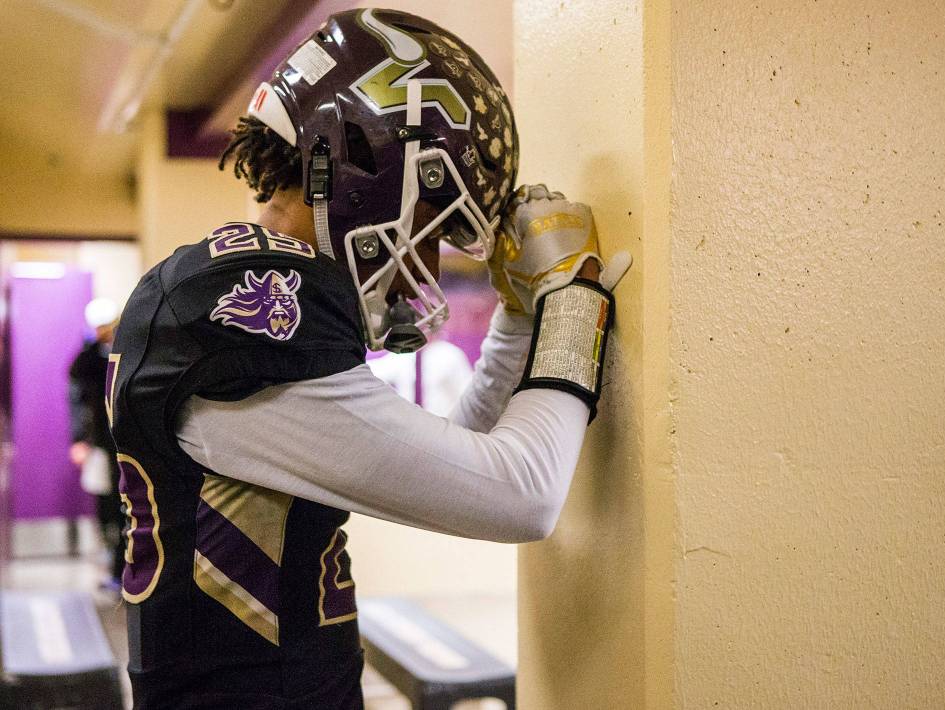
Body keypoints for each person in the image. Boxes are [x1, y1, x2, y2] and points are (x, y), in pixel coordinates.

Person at [107, 9, 629, 709]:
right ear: (374, 183)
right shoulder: (254, 311)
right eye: (433, 220)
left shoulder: (234, 289)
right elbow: (522, 498)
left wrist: (514, 315)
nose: (432, 256)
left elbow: (458, 459)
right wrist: (574, 300)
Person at [68, 297, 125, 589]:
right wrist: (79, 439)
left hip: (125, 441)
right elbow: (76, 376)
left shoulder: (126, 350)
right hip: (104, 442)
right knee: (108, 506)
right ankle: (115, 569)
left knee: (124, 505)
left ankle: (122, 569)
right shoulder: (91, 359)